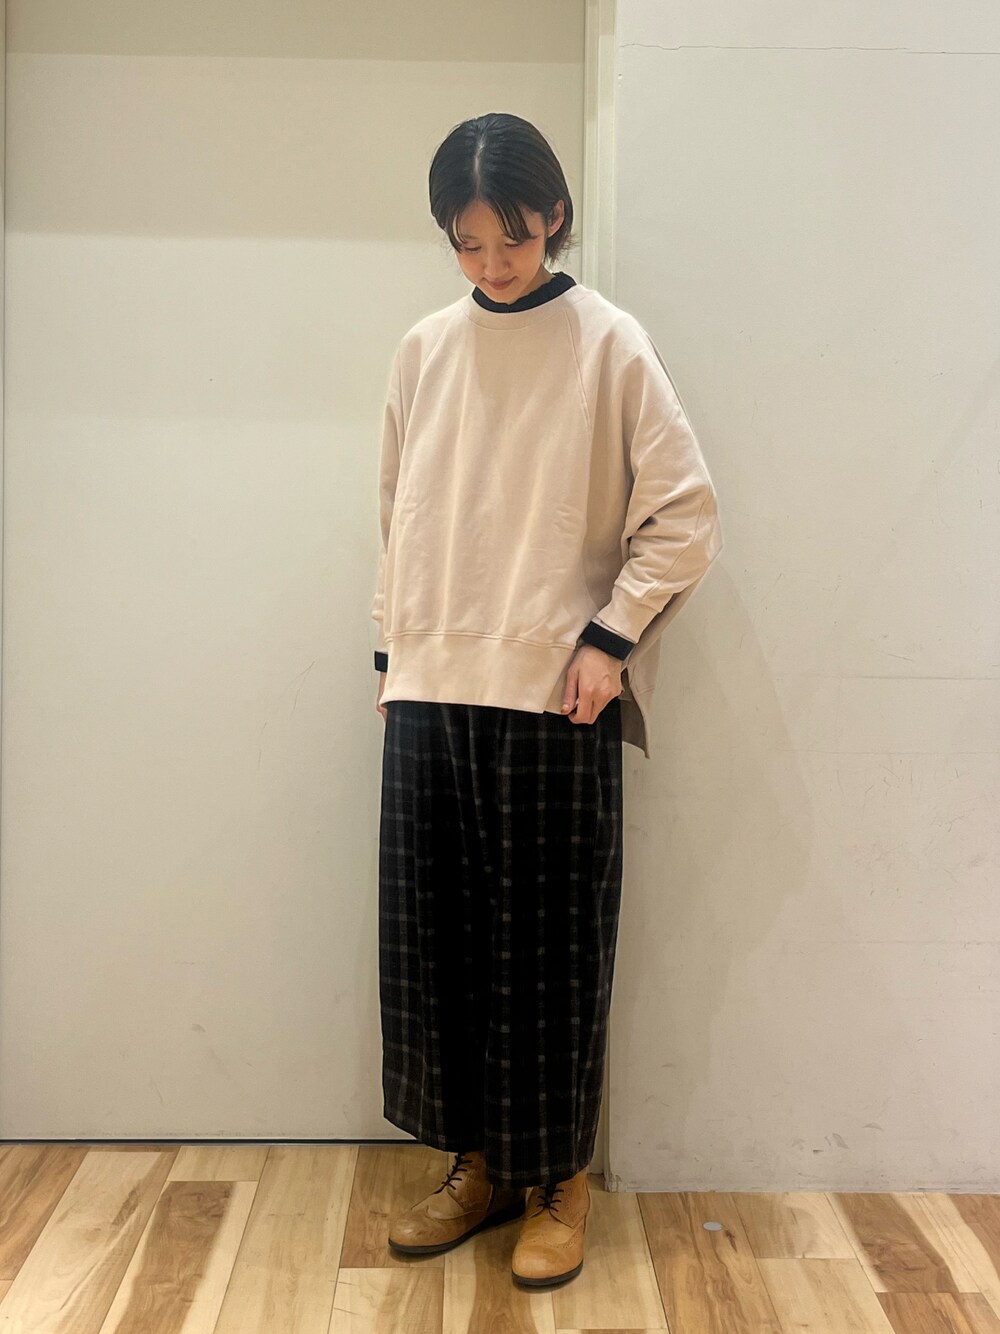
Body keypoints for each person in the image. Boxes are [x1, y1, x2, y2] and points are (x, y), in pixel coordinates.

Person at [370, 112, 723, 1289]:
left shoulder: (608, 342)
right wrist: (393, 658)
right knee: (443, 948)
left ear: (555, 215)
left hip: (554, 698)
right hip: (431, 690)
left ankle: (558, 1178)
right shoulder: (425, 348)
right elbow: (397, 514)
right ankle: (477, 1164)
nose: (492, 263)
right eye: (467, 243)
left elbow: (684, 513)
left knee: (550, 953)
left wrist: (609, 639)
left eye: (511, 238)